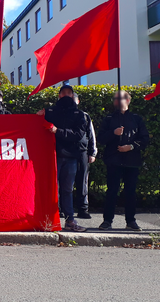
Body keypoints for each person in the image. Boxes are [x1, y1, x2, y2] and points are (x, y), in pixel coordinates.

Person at [37, 84, 88, 232]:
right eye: (63, 92)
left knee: (67, 189)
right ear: (59, 95)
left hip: (70, 157)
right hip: (52, 156)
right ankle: (47, 218)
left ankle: (69, 220)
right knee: (51, 188)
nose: (66, 95)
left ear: (73, 96)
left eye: (69, 93)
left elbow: (78, 135)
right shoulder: (50, 112)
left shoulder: (79, 115)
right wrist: (39, 116)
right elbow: (37, 125)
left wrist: (57, 131)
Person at [98, 90, 150, 231]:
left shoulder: (136, 119)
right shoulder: (108, 119)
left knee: (130, 192)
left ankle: (131, 221)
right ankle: (107, 221)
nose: (117, 100)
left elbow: (145, 139)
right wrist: (113, 133)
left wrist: (131, 147)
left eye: (120, 98)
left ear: (128, 100)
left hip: (131, 160)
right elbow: (101, 139)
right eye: (115, 98)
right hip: (114, 160)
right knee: (112, 191)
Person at [72, 92, 97, 219]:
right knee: (64, 182)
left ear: (78, 101)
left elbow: (90, 134)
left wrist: (92, 152)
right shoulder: (60, 114)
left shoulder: (84, 116)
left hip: (82, 152)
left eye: (73, 99)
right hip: (65, 153)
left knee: (82, 181)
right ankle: (62, 209)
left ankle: (83, 209)